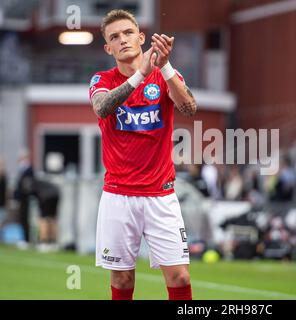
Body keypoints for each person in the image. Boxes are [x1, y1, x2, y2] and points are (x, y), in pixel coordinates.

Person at [89, 10, 197, 300]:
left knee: (180, 276)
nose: (122, 40)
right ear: (107, 48)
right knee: (122, 281)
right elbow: (102, 108)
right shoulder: (101, 79)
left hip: (160, 196)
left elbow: (189, 108)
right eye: (114, 37)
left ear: (141, 38)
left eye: (127, 33)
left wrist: (165, 66)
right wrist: (141, 74)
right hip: (118, 196)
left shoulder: (164, 76)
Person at [33, 179, 60, 250]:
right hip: (56, 194)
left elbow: (38, 196)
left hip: (47, 196)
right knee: (52, 219)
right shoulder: (40, 182)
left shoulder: (33, 185)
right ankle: (53, 242)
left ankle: (43, 242)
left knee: (43, 219)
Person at [13, 150, 34, 244]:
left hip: (25, 198)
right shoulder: (22, 169)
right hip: (21, 198)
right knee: (22, 218)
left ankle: (26, 239)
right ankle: (23, 238)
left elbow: (28, 185)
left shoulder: (29, 169)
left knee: (25, 218)